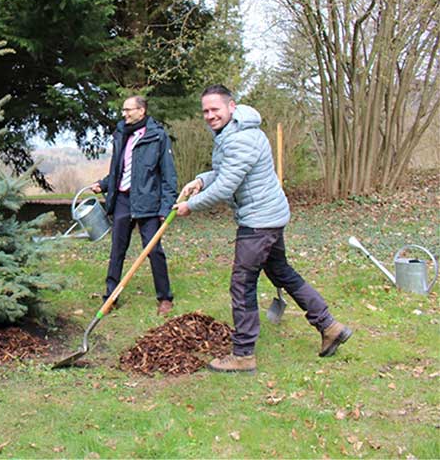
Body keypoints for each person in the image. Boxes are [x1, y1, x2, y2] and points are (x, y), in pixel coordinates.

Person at [174, 85, 352, 373]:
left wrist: (190, 206)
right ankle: (329, 326)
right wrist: (201, 181)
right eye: (205, 111)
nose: (209, 115)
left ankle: (243, 354)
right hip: (269, 216)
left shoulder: (240, 138)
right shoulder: (231, 133)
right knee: (282, 272)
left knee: (242, 284)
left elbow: (227, 186)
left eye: (215, 109)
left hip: (259, 221)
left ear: (231, 107)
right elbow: (224, 173)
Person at [91, 95, 178, 316]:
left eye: (129, 110)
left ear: (142, 111)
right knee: (117, 250)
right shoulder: (122, 134)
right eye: (123, 110)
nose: (124, 114)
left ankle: (165, 298)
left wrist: (166, 207)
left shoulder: (157, 136)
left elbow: (169, 175)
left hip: (148, 203)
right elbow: (120, 169)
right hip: (122, 199)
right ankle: (110, 297)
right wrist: (104, 184)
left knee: (153, 250)